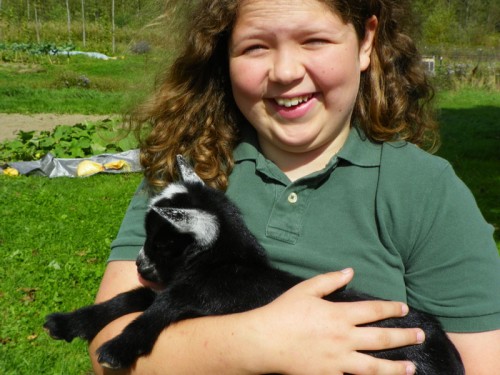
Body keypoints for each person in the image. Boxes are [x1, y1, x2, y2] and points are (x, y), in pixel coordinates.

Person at [89, 0, 500, 374]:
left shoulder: (425, 191)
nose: (285, 72)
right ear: (222, 52)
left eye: (315, 40)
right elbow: (109, 347)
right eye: (255, 47)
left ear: (365, 41)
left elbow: (480, 364)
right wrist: (259, 342)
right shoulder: (188, 175)